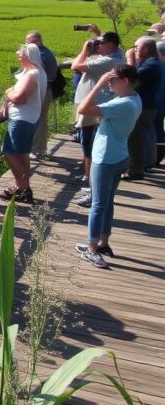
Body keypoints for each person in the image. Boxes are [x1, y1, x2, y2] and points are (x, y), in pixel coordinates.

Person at [74, 65, 141, 268]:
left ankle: (92, 249)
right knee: (107, 203)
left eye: (112, 80)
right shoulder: (134, 99)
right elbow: (105, 114)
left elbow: (82, 109)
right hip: (119, 156)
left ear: (125, 81)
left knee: (97, 205)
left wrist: (98, 85)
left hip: (105, 160)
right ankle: (103, 243)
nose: (109, 83)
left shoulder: (123, 104)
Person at [70, 30, 125, 205]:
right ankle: (90, 179)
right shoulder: (118, 54)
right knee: (91, 142)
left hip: (95, 105)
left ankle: (90, 180)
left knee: (88, 142)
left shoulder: (109, 60)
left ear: (109, 45)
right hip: (99, 104)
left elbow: (75, 66)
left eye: (100, 43)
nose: (97, 45)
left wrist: (85, 51)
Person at [0, 43, 46, 204]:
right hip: (30, 118)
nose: (18, 55)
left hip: (22, 119)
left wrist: (8, 92)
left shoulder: (32, 74)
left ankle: (25, 189)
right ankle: (22, 187)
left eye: (21, 53)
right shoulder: (37, 72)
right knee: (22, 153)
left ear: (28, 56)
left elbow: (19, 97)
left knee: (9, 152)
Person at [124, 37, 161, 180]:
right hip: (144, 106)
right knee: (136, 138)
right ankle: (135, 168)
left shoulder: (151, 64)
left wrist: (130, 59)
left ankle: (135, 170)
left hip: (143, 108)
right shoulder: (150, 62)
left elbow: (131, 80)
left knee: (135, 138)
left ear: (145, 49)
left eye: (136, 47)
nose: (134, 50)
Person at [26, 31, 58, 158]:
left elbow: (49, 76)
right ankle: (40, 148)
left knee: (39, 120)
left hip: (43, 91)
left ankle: (35, 150)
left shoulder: (42, 55)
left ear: (38, 41)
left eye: (29, 43)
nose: (27, 45)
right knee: (41, 120)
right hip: (44, 90)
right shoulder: (45, 52)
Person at [155, 40, 165, 167]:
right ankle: (159, 155)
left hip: (156, 101)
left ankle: (155, 156)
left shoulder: (157, 66)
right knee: (159, 128)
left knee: (155, 128)